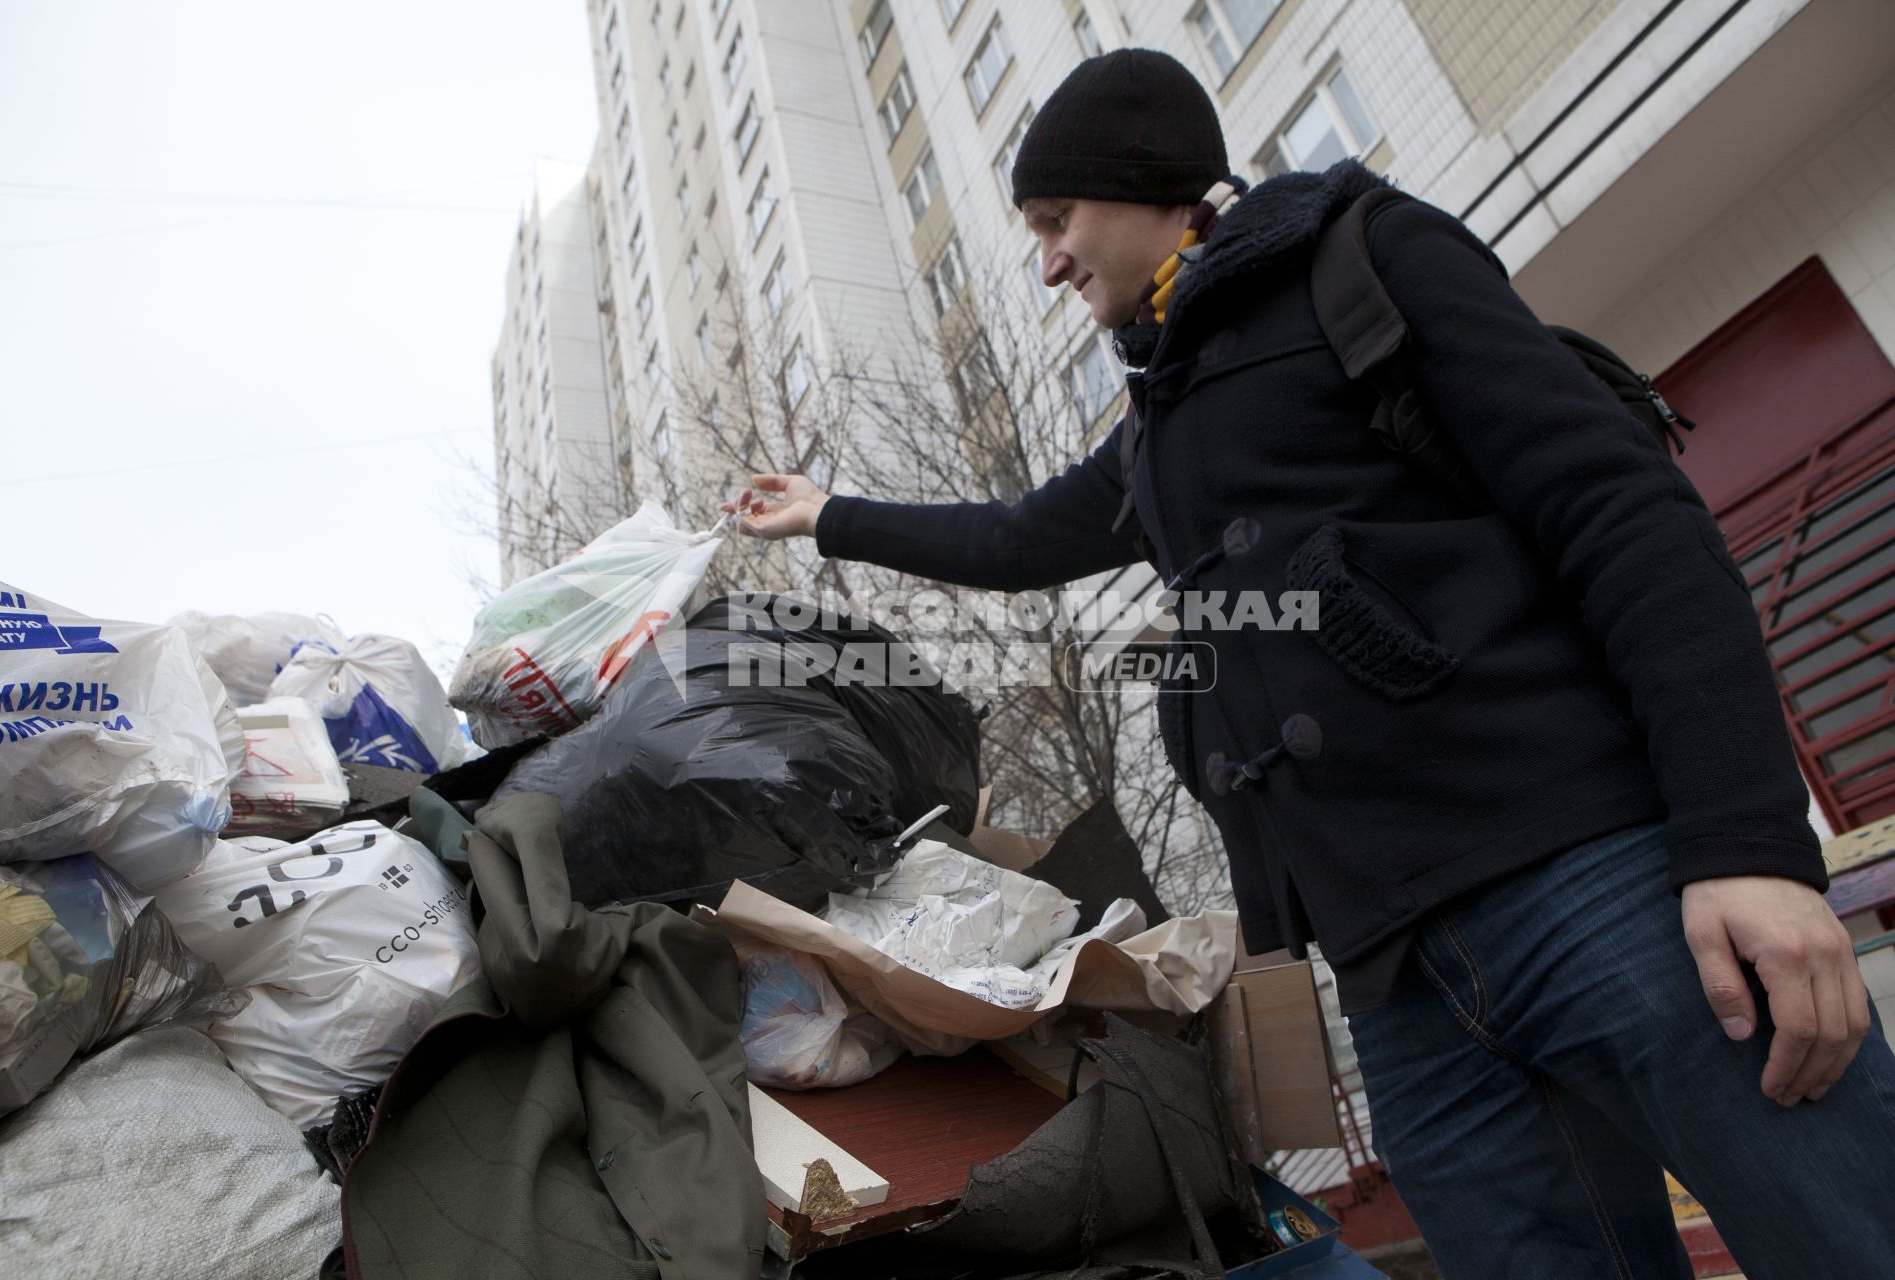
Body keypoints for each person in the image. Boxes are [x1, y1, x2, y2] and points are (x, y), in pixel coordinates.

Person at [722, 48, 1895, 1278]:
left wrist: (1749, 844)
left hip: (1589, 885)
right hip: (1399, 989)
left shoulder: (1363, 254)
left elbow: (1624, 512)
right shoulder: (1159, 425)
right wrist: (828, 512)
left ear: (1148, 183)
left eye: (1058, 220)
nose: (1051, 260)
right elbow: (1019, 537)